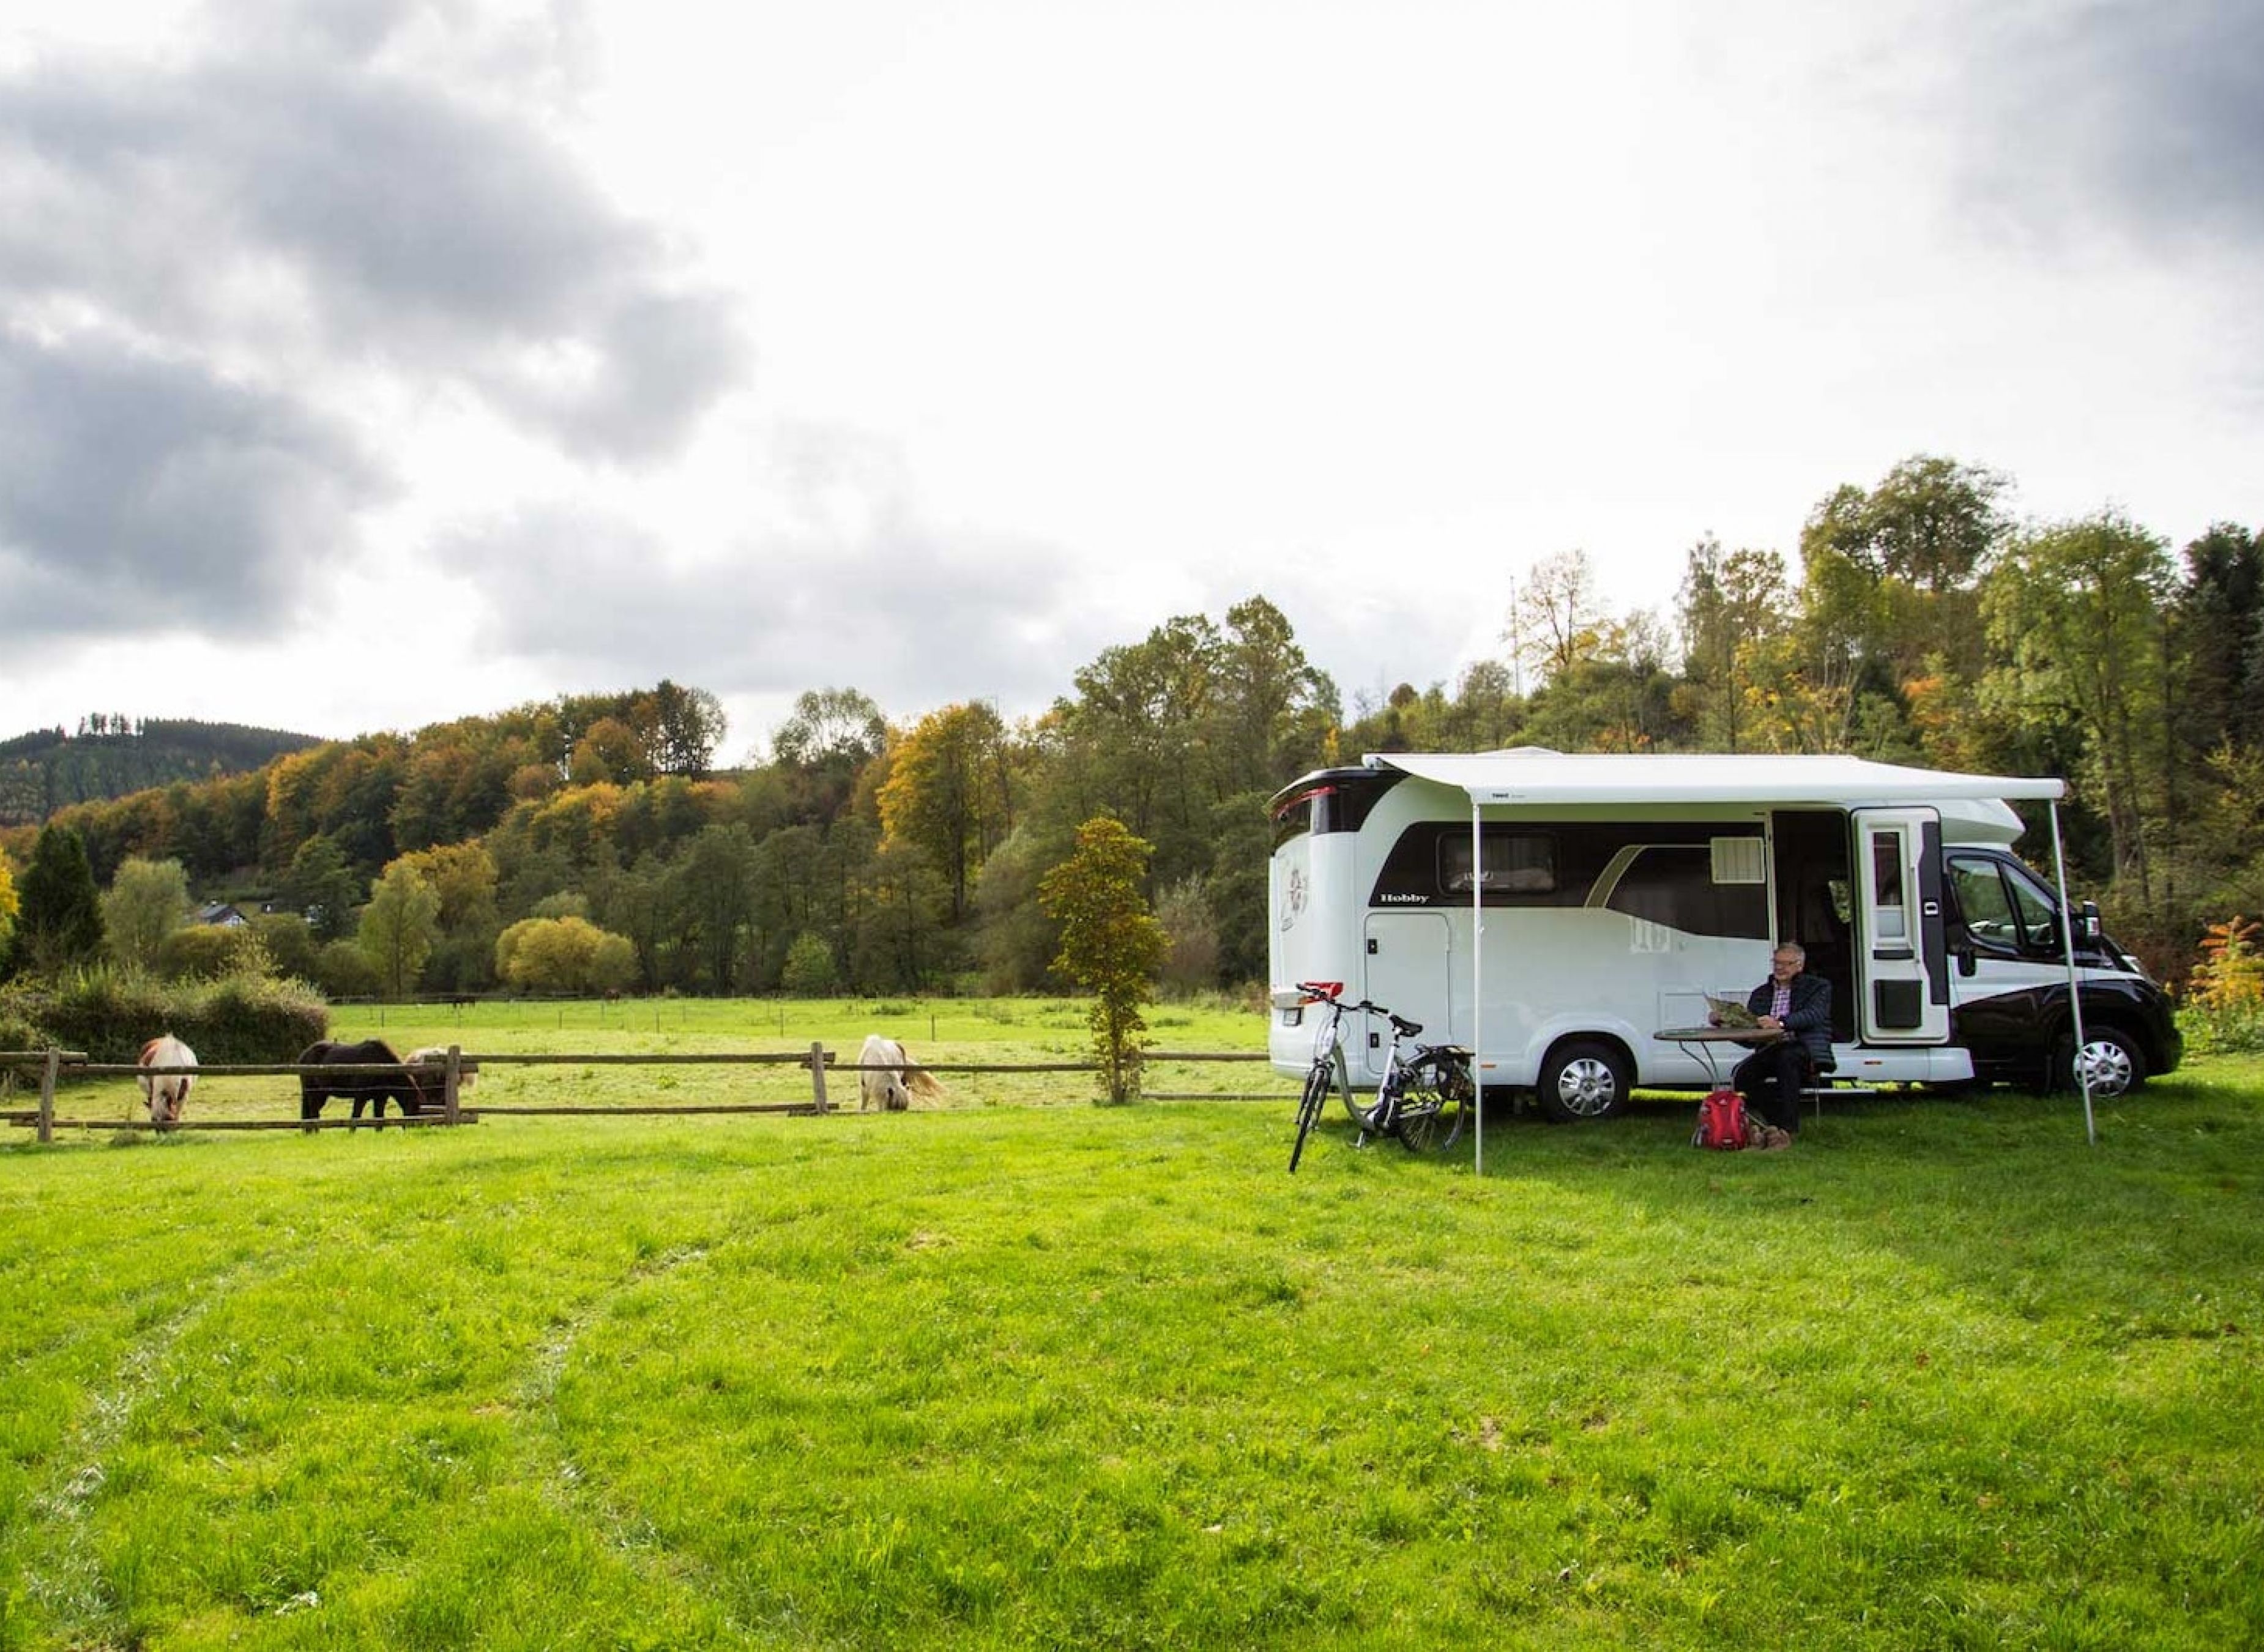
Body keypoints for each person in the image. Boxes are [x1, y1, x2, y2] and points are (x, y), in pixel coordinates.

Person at [1714, 940, 1832, 1148]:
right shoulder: (1761, 994)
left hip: (1803, 1046)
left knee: (1787, 1060)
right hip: (1769, 1048)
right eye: (1777, 963)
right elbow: (1749, 1039)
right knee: (1742, 1076)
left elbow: (1814, 1015)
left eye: (1787, 964)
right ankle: (1776, 1124)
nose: (1780, 968)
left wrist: (1780, 1023)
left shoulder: (1818, 987)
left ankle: (1788, 1128)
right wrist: (1726, 1025)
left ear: (1800, 966)